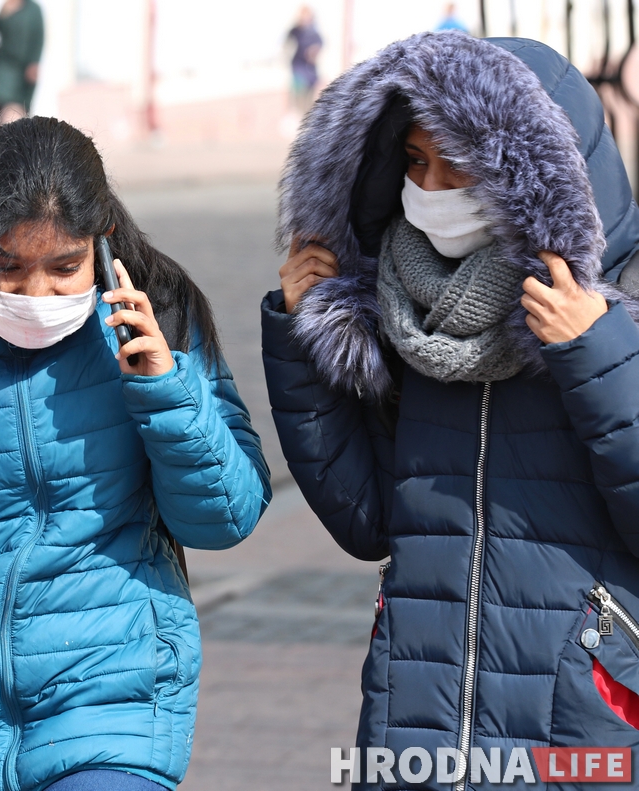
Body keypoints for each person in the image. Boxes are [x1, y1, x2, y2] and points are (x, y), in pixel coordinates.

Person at [263, 32, 639, 788]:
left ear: (528, 167)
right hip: (419, 715)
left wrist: (592, 349)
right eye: (413, 162)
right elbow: (366, 519)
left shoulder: (614, 313)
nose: (429, 187)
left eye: (456, 163)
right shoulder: (399, 308)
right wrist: (310, 344)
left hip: (571, 716)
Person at [0, 116, 271, 790]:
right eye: (9, 266)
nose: (37, 293)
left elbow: (225, 518)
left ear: (100, 244)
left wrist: (164, 391)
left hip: (114, 713)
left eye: (64, 266)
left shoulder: (153, 323)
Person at [0, 0, 44, 124]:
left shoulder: (34, 9)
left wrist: (34, 62)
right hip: (6, 63)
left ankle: (27, 135)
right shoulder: (7, 7)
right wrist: (3, 14)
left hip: (25, 65)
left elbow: (39, 37)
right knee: (2, 100)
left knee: (25, 104)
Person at [286, 5, 322, 113]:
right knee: (298, 99)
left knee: (308, 102)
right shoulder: (294, 31)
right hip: (298, 69)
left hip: (311, 72)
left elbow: (320, 44)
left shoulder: (314, 32)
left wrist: (314, 51)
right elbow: (287, 45)